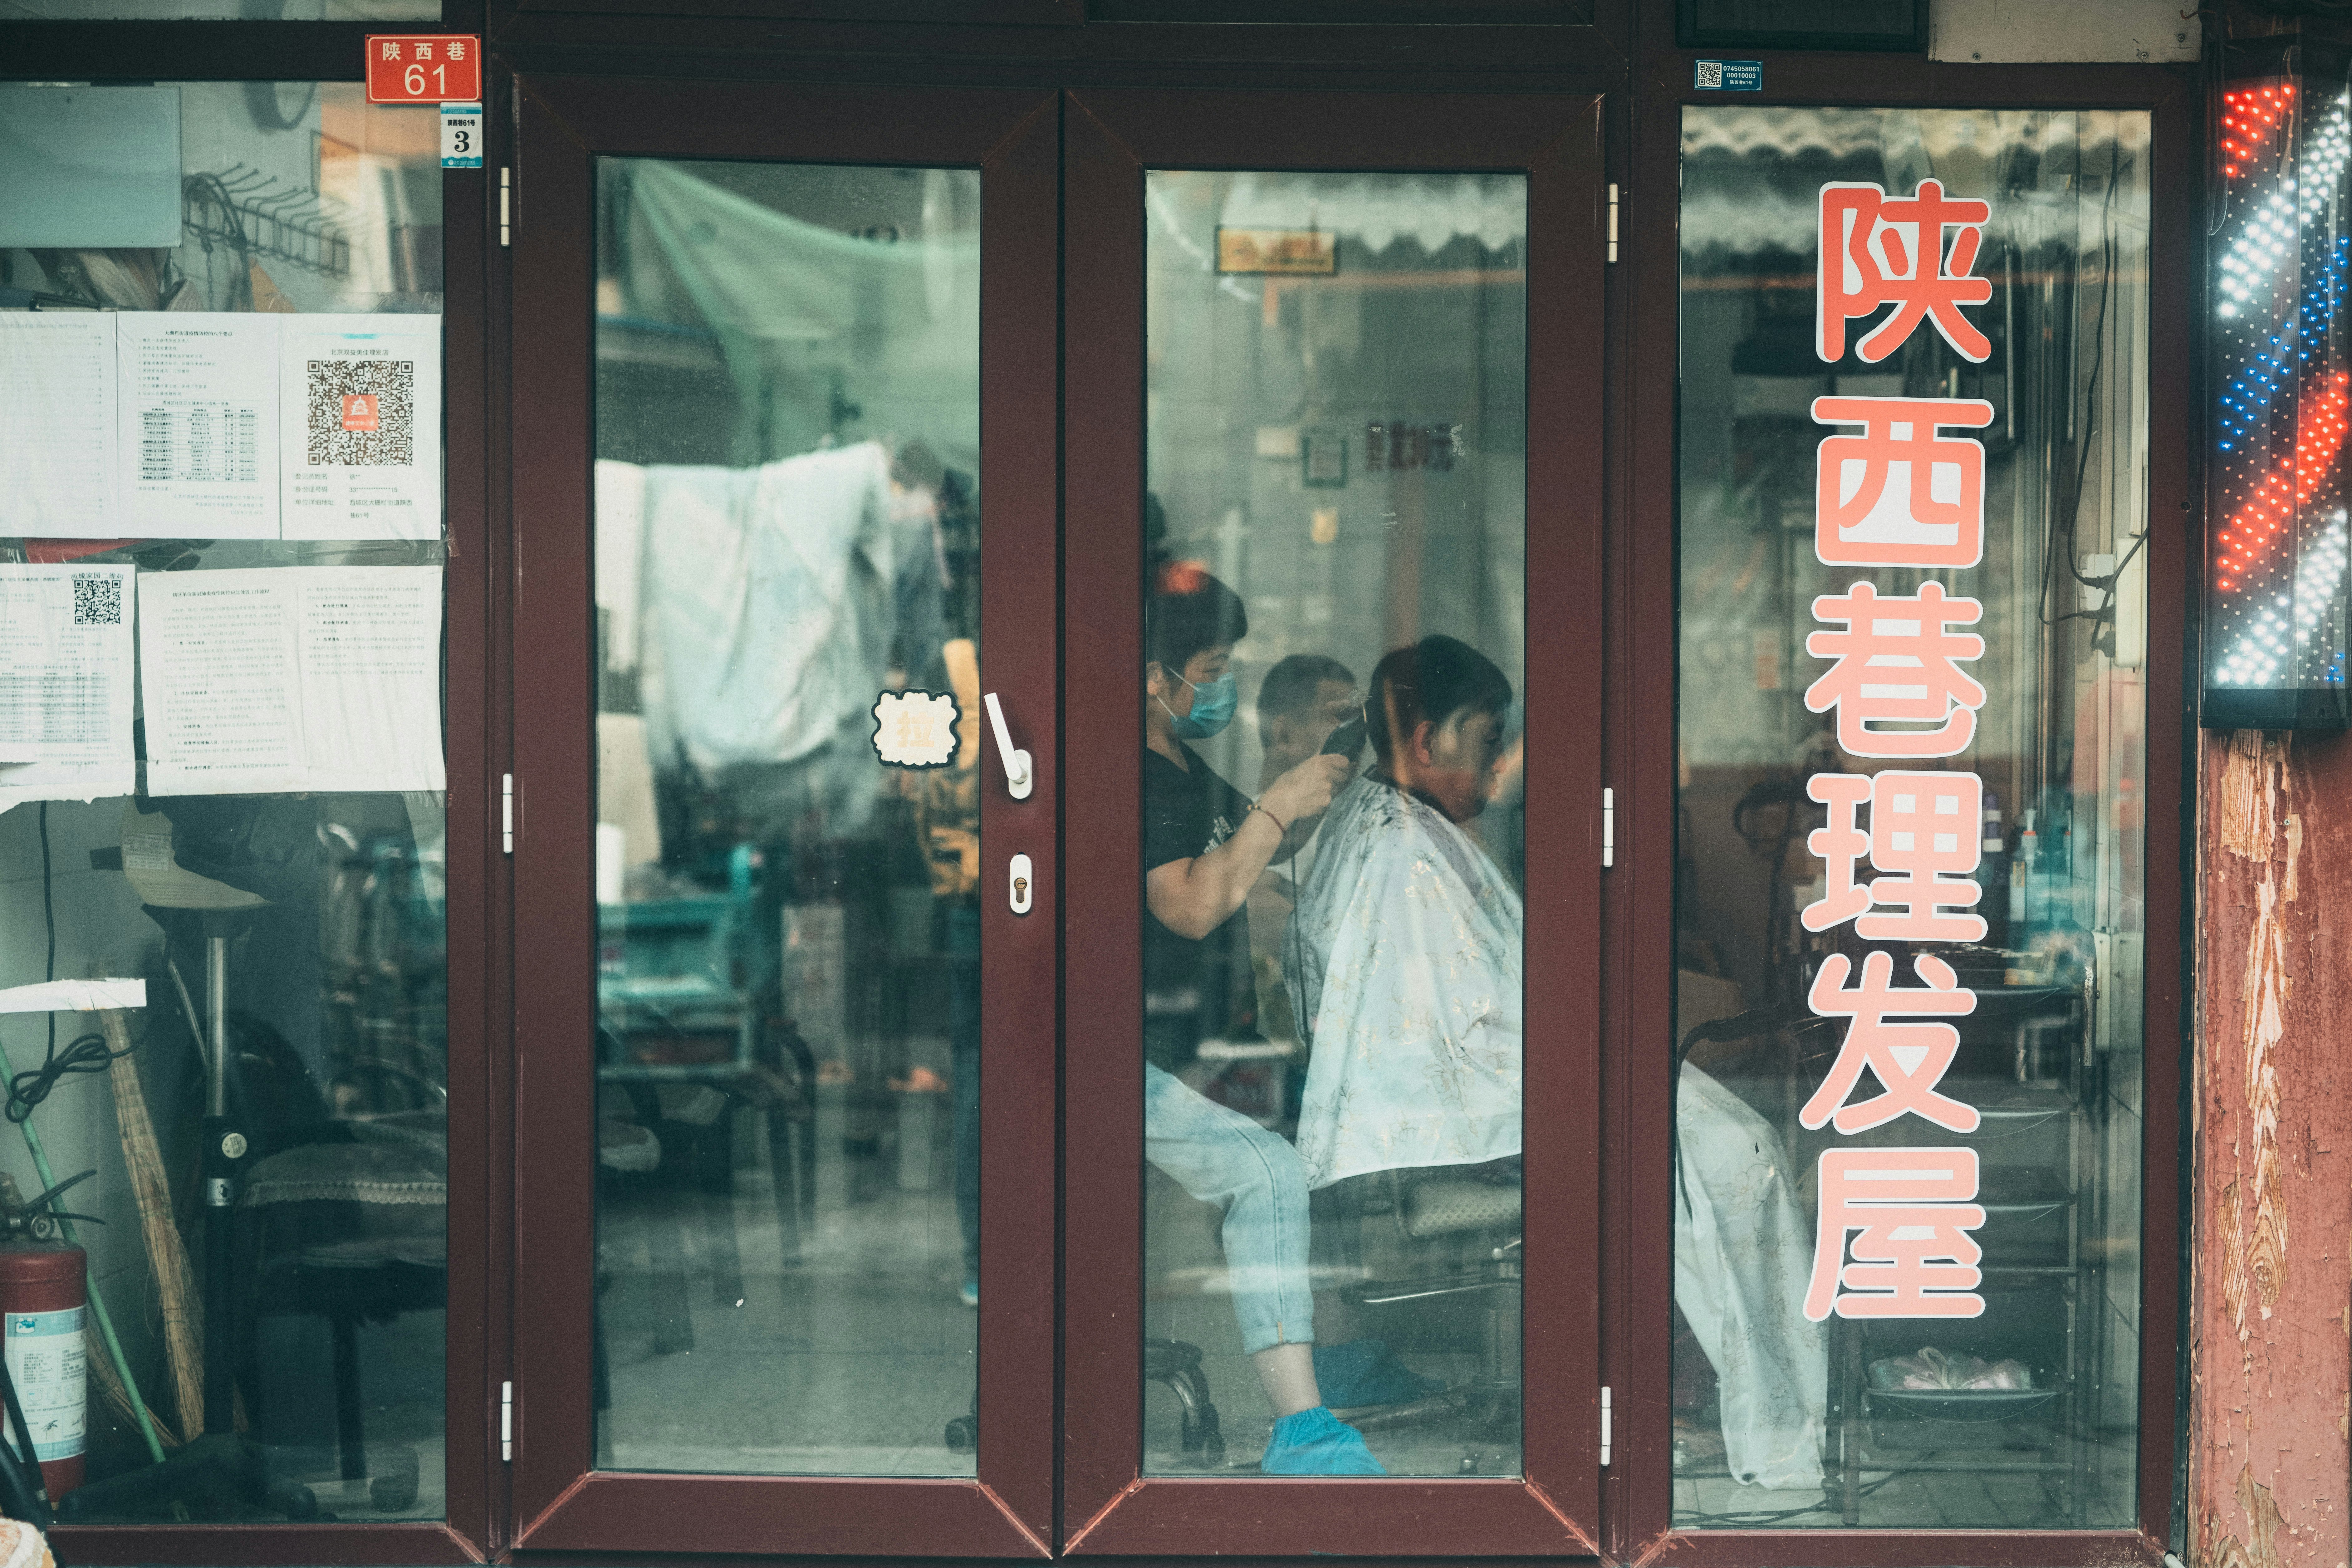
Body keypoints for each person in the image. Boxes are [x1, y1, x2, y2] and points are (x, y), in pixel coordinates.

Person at [1285, 633, 1826, 1489]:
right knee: (1723, 1160)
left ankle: (1707, 1393)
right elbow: (1453, 1034)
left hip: (1504, 1088)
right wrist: (1583, 1059)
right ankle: (1698, 1407)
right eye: (1487, 740)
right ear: (1428, 744)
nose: (1499, 765)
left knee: (1719, 1139)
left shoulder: (1392, 824)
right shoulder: (1402, 853)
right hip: (1483, 1122)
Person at [1140, 561, 1382, 1476]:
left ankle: (1347, 1362)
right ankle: (1303, 1429)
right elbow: (1197, 904)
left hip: (1185, 1047)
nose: (1222, 682)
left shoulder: (1181, 767)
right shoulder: (1132, 779)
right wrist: (1279, 804)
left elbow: (1263, 864)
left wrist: (1333, 775)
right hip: (1107, 1056)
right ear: (1152, 675)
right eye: (1211, 663)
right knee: (1268, 1174)